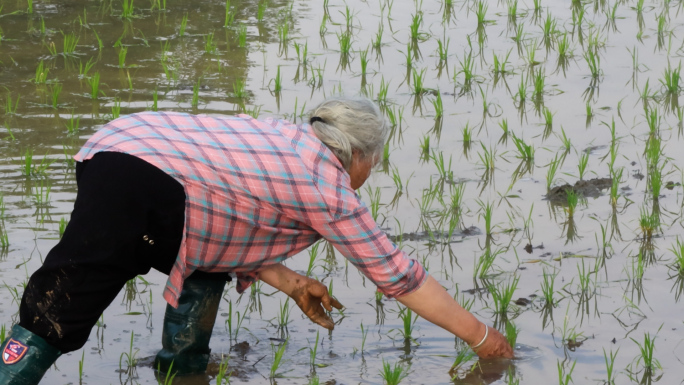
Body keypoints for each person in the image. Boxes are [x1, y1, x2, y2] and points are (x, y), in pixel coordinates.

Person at [0, 97, 513, 384]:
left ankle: (184, 369)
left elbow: (223, 212)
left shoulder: (285, 139)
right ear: (356, 154)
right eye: (372, 162)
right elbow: (397, 276)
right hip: (139, 174)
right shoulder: (324, 185)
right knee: (64, 299)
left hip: (117, 144)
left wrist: (290, 282)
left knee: (203, 262)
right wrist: (483, 338)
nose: (370, 171)